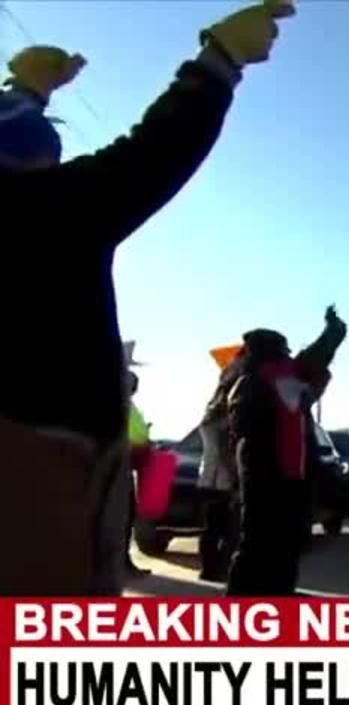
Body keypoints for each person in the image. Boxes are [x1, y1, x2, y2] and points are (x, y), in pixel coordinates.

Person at [0, 1, 297, 596]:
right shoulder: (41, 213)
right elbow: (154, 151)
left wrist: (26, 93)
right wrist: (219, 61)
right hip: (42, 483)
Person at [226, 306, 347, 596]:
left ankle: (256, 596)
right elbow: (316, 357)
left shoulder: (246, 382)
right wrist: (333, 330)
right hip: (278, 477)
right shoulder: (277, 378)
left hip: (264, 475)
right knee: (274, 544)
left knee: (260, 543)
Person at [197, 354, 244, 582]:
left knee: (210, 529)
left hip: (207, 478)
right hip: (224, 480)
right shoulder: (227, 418)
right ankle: (221, 570)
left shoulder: (209, 415)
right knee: (230, 530)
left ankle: (208, 570)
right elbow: (226, 452)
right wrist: (236, 478)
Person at [124, 370, 152, 578]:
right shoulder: (116, 405)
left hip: (126, 466)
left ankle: (123, 561)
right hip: (118, 465)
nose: (135, 388)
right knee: (121, 517)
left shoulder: (129, 406)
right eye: (132, 384)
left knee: (127, 516)